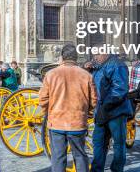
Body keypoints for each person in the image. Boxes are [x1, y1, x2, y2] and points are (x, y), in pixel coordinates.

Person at [39, 44, 97, 172]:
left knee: (58, 158)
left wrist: (49, 114)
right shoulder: (86, 75)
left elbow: (43, 99)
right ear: (76, 58)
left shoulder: (51, 74)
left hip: (56, 123)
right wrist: (86, 115)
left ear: (62, 57)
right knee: (80, 156)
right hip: (77, 123)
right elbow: (94, 101)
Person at [89, 54, 133, 172]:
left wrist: (104, 107)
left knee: (118, 144)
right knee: (98, 141)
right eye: (94, 54)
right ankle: (97, 169)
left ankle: (117, 169)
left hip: (116, 112)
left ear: (106, 53)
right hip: (102, 111)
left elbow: (119, 90)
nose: (95, 57)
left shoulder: (118, 65)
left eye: (98, 54)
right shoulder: (98, 66)